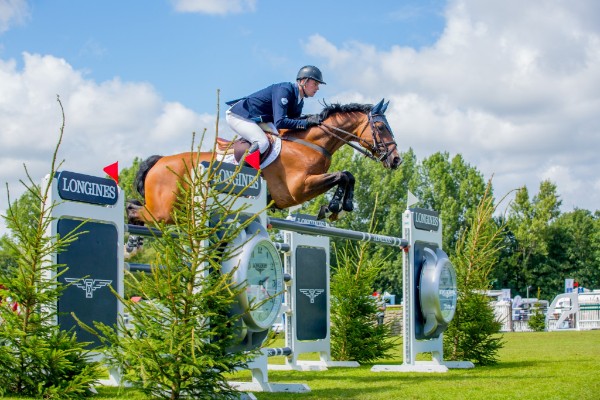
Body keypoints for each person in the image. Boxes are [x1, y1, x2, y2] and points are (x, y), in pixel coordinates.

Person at [225, 65, 326, 168]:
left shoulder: (299, 101)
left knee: (280, 141)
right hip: (239, 115)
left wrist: (309, 120)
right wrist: (307, 122)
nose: (317, 88)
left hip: (259, 119)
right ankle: (241, 173)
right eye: (315, 84)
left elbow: (294, 124)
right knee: (262, 143)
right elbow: (280, 122)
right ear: (304, 81)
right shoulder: (285, 90)